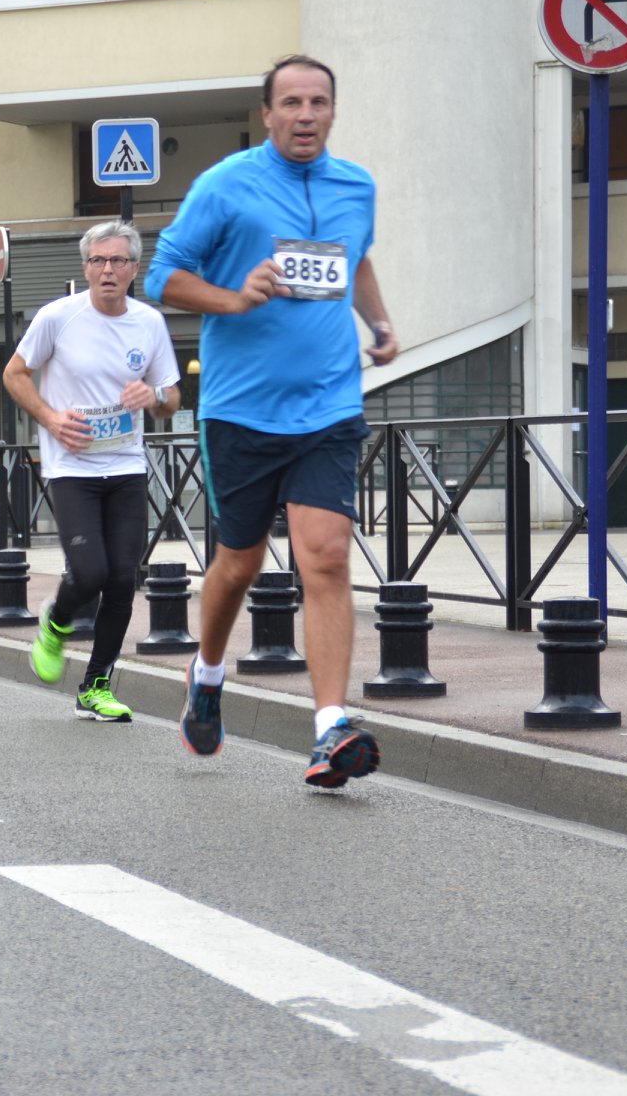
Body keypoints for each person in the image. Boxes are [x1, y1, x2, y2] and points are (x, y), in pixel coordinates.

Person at [144, 54, 401, 788]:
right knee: (241, 563)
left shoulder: (356, 185)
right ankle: (209, 671)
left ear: (332, 111)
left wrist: (377, 322)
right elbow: (164, 274)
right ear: (267, 114)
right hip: (241, 411)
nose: (305, 115)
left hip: (328, 404)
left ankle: (329, 731)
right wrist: (235, 296)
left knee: (325, 554)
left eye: (318, 102)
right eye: (291, 102)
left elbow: (354, 260)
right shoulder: (226, 185)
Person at [4, 221, 181, 722]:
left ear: (134, 269)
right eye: (98, 261)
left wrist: (155, 397)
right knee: (90, 572)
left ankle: (95, 685)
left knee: (123, 579)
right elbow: (13, 374)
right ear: (85, 268)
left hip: (125, 465)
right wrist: (51, 419)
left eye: (118, 261)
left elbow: (172, 397)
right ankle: (56, 623)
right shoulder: (58, 317)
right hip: (71, 468)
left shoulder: (149, 323)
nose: (108, 270)